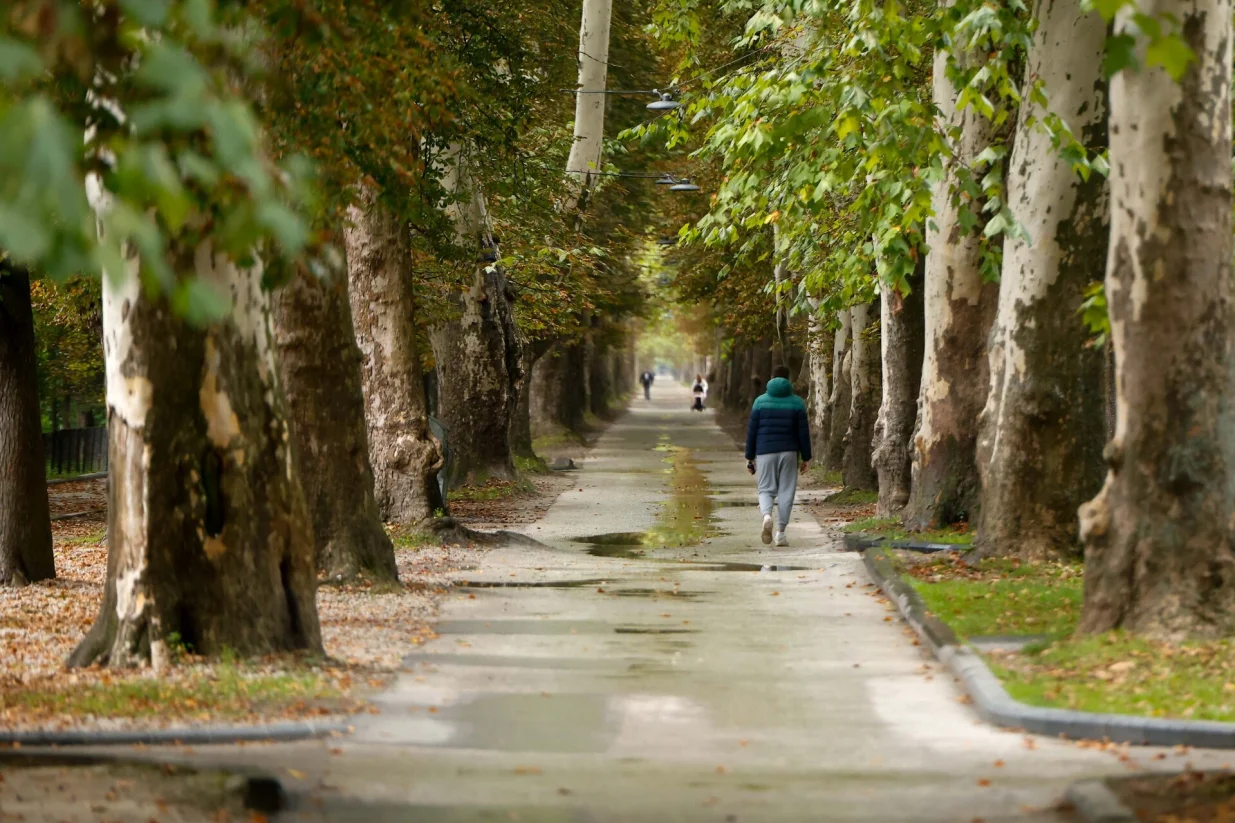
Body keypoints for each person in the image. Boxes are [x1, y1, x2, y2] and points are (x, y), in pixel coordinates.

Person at [745, 364, 811, 547]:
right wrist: (806, 457)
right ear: (789, 380)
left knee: (765, 489)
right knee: (786, 492)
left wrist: (749, 457)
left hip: (765, 451)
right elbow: (803, 433)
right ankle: (781, 533)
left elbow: (752, 431)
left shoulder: (760, 402)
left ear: (771, 379)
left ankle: (767, 516)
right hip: (789, 452)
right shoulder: (797, 402)